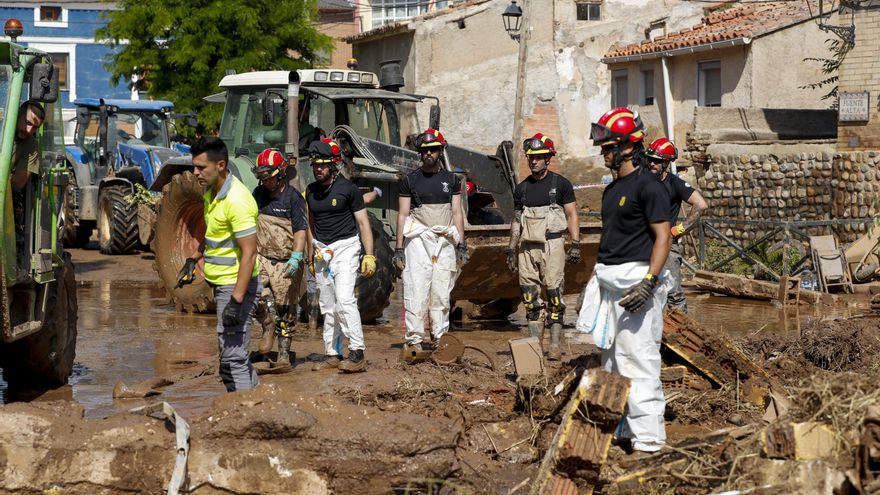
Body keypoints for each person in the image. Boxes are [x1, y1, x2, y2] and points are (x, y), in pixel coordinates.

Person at [576, 107, 671, 453]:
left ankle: (649, 441)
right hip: (610, 283)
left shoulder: (649, 186)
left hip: (636, 286)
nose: (604, 154)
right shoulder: (611, 189)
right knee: (614, 362)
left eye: (608, 147)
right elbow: (611, 240)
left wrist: (649, 282)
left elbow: (663, 237)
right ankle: (624, 432)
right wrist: (593, 281)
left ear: (629, 146)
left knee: (640, 361)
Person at [177, 137, 260, 392]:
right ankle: (260, 405)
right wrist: (195, 257)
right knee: (233, 359)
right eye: (194, 166)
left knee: (232, 359)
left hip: (235, 286)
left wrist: (236, 300)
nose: (195, 173)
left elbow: (250, 253)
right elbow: (216, 234)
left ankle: (245, 416)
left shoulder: (237, 201)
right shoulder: (211, 194)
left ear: (221, 165)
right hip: (223, 284)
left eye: (201, 167)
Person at [504, 133, 580, 361]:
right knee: (529, 297)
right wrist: (511, 247)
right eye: (530, 157)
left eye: (538, 157)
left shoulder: (561, 184)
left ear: (548, 158)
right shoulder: (522, 189)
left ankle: (555, 346)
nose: (533, 161)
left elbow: (571, 213)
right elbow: (516, 220)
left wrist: (575, 243)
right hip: (527, 247)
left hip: (552, 244)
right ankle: (534, 348)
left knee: (554, 294)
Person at [392, 128, 468, 356]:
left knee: (441, 292)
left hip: (444, 241)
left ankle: (440, 339)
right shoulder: (410, 180)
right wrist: (398, 248)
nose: (428, 154)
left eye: (433, 150)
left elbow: (457, 212)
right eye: (425, 150)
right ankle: (414, 340)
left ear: (440, 151)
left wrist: (461, 244)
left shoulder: (452, 180)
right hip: (418, 241)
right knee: (417, 290)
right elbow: (403, 215)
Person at [306, 138, 376, 373]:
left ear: (333, 165)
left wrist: (369, 255)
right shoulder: (311, 191)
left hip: (346, 247)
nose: (318, 169)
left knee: (345, 299)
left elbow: (364, 224)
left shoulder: (348, 189)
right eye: (315, 164)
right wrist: (311, 252)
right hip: (321, 250)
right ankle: (333, 353)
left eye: (323, 165)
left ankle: (357, 352)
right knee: (327, 304)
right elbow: (310, 224)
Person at [251, 148, 308, 365]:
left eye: (269, 177)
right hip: (262, 257)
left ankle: (284, 353)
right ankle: (267, 323)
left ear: (281, 174)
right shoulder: (258, 195)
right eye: (262, 178)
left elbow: (300, 231)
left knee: (286, 308)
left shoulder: (293, 199)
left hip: (286, 261)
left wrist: (296, 257)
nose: (265, 182)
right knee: (252, 296)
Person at [645, 138, 708, 313]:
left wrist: (680, 229)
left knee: (673, 292)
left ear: (666, 162)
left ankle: (682, 333)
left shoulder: (674, 183)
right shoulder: (640, 180)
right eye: (649, 159)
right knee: (641, 289)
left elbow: (700, 204)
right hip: (641, 242)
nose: (651, 163)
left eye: (656, 161)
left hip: (666, 244)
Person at [11, 100, 45, 279]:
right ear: (18, 115)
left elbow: (18, 183)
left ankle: (15, 266)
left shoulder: (31, 147)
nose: (30, 130)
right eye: (28, 122)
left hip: (8, 194)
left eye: (35, 127)